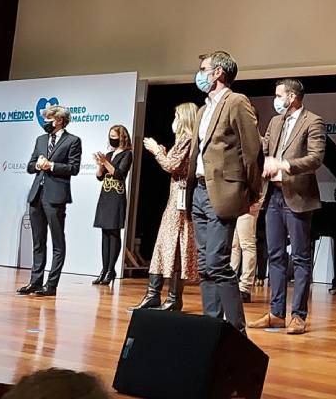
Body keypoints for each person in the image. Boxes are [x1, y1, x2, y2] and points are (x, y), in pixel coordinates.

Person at [188, 50, 262, 333]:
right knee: (205, 265)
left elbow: (252, 150)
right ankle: (211, 325)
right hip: (199, 191)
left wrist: (251, 192)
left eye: (204, 68)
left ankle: (235, 330)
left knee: (218, 263)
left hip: (224, 192)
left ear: (218, 72)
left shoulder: (236, 101)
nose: (200, 73)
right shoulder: (203, 110)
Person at [249, 78, 326, 335]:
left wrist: (285, 165)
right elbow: (265, 147)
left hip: (299, 197)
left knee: (302, 258)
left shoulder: (313, 121)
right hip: (274, 196)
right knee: (275, 256)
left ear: (292, 97)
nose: (276, 99)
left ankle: (298, 315)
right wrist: (249, 133)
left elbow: (316, 158)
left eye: (279, 95)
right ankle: (276, 313)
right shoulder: (275, 121)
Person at [131, 103, 199, 311]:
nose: (174, 120)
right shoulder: (182, 140)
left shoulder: (188, 139)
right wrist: (163, 152)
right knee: (164, 244)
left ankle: (172, 298)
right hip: (174, 198)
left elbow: (172, 165)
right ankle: (154, 294)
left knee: (176, 246)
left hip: (181, 200)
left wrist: (155, 151)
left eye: (177, 115)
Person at [18, 104, 82, 297]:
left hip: (56, 197)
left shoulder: (73, 141)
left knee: (57, 241)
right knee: (38, 241)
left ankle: (51, 284)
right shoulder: (40, 140)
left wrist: (52, 165)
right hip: (37, 194)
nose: (45, 123)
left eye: (48, 119)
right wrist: (37, 165)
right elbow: (30, 166)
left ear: (60, 120)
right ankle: (35, 282)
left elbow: (74, 168)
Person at [91, 125, 133, 286]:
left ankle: (111, 270)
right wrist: (99, 165)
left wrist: (106, 163)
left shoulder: (127, 154)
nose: (111, 138)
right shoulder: (108, 154)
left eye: (114, 135)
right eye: (110, 136)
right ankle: (104, 269)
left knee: (114, 232)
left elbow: (119, 174)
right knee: (104, 232)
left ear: (122, 137)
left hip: (117, 195)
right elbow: (99, 177)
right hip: (105, 195)